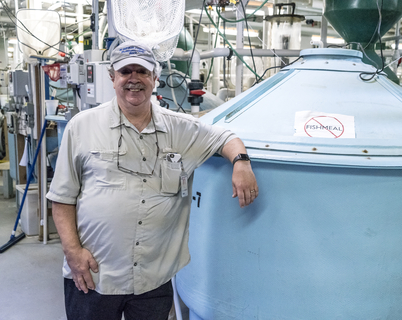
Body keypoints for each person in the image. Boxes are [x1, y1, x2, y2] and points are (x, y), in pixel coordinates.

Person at [46, 41, 258, 320]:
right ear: (112, 78)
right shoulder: (82, 126)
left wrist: (241, 163)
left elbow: (224, 137)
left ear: (155, 79)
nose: (134, 79)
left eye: (143, 72)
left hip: (153, 279)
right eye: (126, 72)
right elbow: (62, 198)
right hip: (95, 274)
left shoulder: (179, 128)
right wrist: (73, 253)